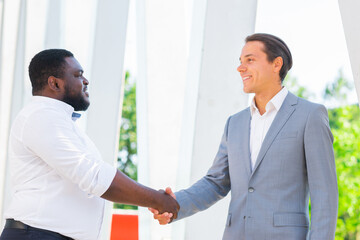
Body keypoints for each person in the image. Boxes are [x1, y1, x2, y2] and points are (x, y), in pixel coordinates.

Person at [150, 33, 338, 239]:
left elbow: (325, 195)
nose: (241, 68)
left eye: (250, 60)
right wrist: (174, 204)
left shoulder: (310, 115)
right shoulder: (235, 123)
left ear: (276, 64)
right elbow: (215, 182)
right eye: (240, 62)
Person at [0, 49, 179, 240]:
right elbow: (93, 176)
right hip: (37, 234)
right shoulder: (41, 116)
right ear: (54, 83)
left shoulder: (57, 120)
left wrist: (155, 200)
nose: (85, 81)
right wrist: (157, 200)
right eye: (78, 75)